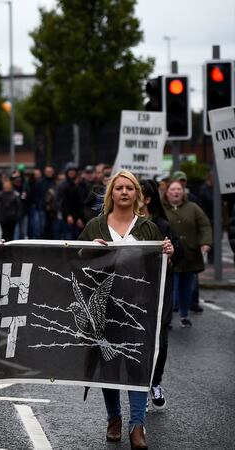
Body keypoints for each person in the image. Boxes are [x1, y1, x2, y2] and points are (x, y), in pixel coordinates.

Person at [78, 170, 173, 450]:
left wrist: (167, 253)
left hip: (138, 309)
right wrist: (85, 249)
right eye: (118, 188)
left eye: (129, 188)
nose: (123, 192)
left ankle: (137, 425)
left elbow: (161, 271)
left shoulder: (148, 229)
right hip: (104, 310)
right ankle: (114, 418)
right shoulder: (95, 225)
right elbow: (74, 259)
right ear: (111, 194)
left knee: (136, 366)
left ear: (138, 195)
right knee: (109, 366)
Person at [140, 179, 183, 410]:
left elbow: (179, 253)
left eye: (137, 194)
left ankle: (155, 382)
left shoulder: (162, 225)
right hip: (132, 293)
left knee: (159, 340)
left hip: (158, 292)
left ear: (147, 199)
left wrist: (172, 251)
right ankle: (139, 390)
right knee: (135, 340)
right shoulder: (122, 225)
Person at [163, 179, 212, 328]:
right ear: (167, 192)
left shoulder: (193, 207)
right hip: (170, 256)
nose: (176, 192)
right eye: (173, 189)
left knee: (187, 288)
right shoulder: (161, 209)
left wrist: (205, 242)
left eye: (179, 189)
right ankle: (168, 318)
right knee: (172, 287)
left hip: (190, 255)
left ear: (183, 192)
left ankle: (184, 316)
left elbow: (204, 225)